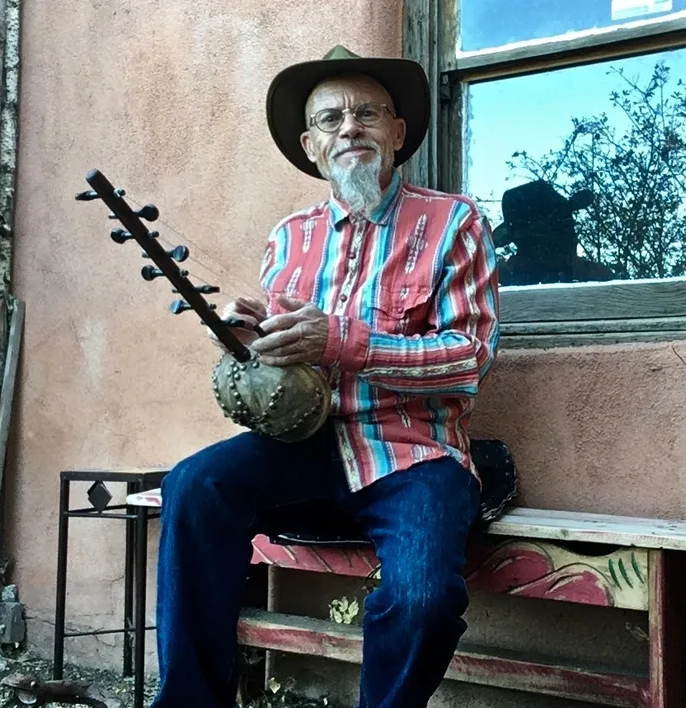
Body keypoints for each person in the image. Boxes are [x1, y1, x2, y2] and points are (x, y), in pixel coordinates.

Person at [150, 45, 500, 708]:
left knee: (424, 597)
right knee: (193, 486)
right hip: (303, 447)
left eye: (367, 113)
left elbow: (468, 358)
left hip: (413, 453)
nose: (350, 129)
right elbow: (286, 359)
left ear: (397, 134)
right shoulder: (289, 237)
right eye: (332, 119)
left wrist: (339, 339)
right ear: (312, 146)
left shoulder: (456, 222)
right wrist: (249, 338)